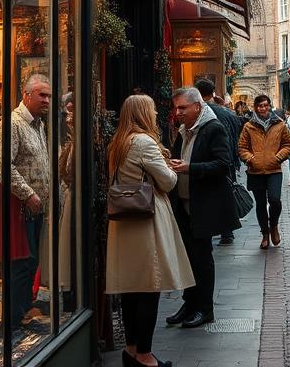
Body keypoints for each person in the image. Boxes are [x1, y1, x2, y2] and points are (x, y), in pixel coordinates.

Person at [106, 95, 193, 367]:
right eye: (153, 111)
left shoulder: (118, 143)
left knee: (131, 289)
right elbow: (167, 182)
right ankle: (145, 355)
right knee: (148, 288)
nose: (156, 114)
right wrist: (171, 169)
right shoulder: (144, 142)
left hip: (123, 222)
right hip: (147, 219)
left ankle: (131, 350)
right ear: (144, 114)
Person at [167, 87, 240, 328]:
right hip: (185, 203)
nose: (178, 112)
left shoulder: (213, 128)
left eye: (182, 108)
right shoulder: (184, 129)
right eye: (176, 108)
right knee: (187, 257)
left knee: (202, 258)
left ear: (197, 106)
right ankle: (189, 304)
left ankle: (205, 309)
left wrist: (190, 168)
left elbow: (223, 164)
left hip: (204, 204)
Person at [0, 73, 51, 330]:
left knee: (31, 262)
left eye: (49, 95)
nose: (47, 100)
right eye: (42, 95)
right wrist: (29, 194)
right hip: (21, 208)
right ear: (26, 95)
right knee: (21, 263)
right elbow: (1, 165)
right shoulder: (12, 124)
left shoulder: (38, 125)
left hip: (36, 208)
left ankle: (23, 313)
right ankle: (13, 321)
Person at [238, 94, 290, 249]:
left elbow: (289, 144)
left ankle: (274, 225)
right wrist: (251, 159)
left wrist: (278, 157)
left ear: (269, 106)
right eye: (260, 106)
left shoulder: (279, 125)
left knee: (275, 200)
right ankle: (265, 234)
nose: (263, 108)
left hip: (274, 169)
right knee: (261, 204)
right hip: (255, 171)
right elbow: (242, 147)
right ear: (255, 108)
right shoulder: (249, 126)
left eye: (265, 105)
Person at [194, 78, 241, 246]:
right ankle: (227, 232)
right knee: (226, 193)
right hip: (229, 159)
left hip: (208, 160)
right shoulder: (227, 113)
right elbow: (237, 131)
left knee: (208, 195)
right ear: (213, 92)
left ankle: (209, 229)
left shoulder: (200, 113)